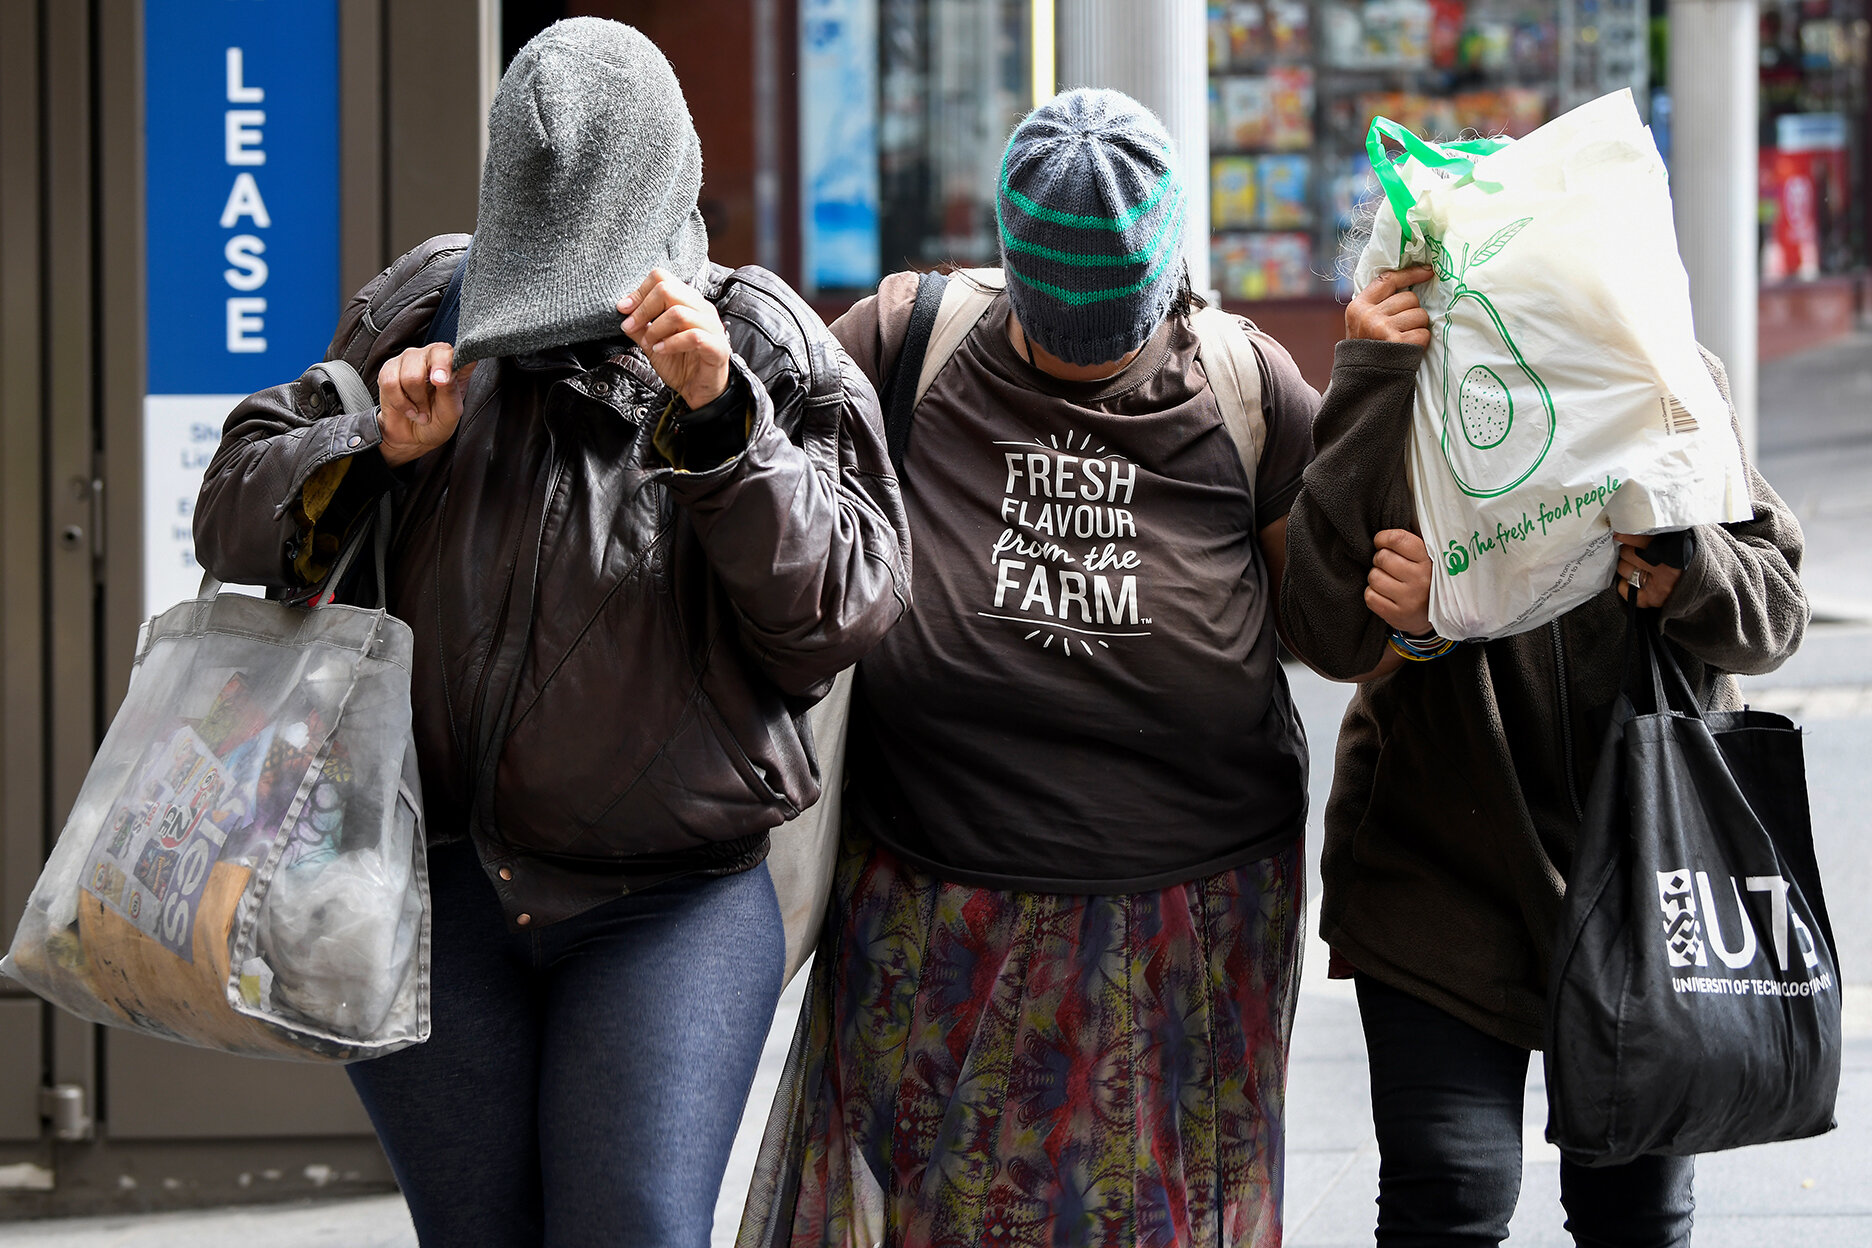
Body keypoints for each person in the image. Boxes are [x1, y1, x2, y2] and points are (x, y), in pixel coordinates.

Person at [193, 19, 910, 1248]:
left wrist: (727, 432)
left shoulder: (768, 339)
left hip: (671, 898)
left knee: (632, 1225)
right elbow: (229, 510)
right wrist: (367, 451)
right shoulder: (424, 296)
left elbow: (842, 611)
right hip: (422, 882)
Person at [741, 89, 1318, 1248]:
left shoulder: (1248, 389)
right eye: (1058, 345)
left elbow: (1330, 624)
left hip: (1181, 950)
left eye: (1113, 347)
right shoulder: (906, 348)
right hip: (932, 925)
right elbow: (775, 542)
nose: (1086, 367)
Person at [1278, 265, 1808, 1246]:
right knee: (1450, 1192)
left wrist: (1687, 569)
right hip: (1436, 882)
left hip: (1642, 879)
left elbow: (1774, 614)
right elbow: (1319, 632)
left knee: (1635, 1214)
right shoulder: (1406, 391)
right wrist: (1365, 382)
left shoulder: (1669, 379)